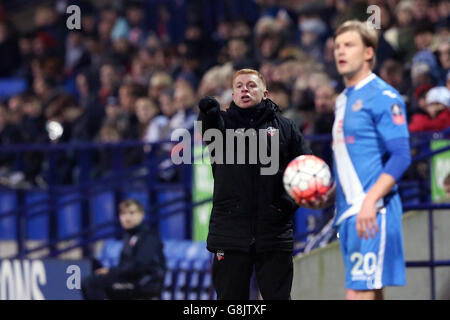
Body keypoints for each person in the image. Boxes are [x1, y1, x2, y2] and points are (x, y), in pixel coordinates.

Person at [312, 20, 412, 300]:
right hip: (348, 211)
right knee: (371, 290)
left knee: (357, 293)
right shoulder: (343, 99)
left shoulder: (383, 96)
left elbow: (402, 156)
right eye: (338, 46)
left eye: (349, 45)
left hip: (371, 210)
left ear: (369, 52)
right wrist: (330, 196)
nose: (340, 52)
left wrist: (370, 200)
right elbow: (351, 160)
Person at [197, 68, 312, 300]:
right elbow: (209, 132)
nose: (244, 90)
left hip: (273, 232)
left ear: (265, 93)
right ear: (232, 94)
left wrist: (286, 205)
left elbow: (306, 169)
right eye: (239, 86)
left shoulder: (286, 128)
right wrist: (207, 114)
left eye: (251, 85)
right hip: (229, 233)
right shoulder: (222, 125)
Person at [81, 199, 166, 300]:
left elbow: (139, 266)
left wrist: (111, 272)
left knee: (92, 284)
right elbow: (125, 265)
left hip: (144, 283)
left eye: (132, 213)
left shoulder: (149, 237)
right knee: (92, 281)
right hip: (131, 279)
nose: (127, 217)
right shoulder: (128, 236)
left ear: (141, 215)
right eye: (123, 213)